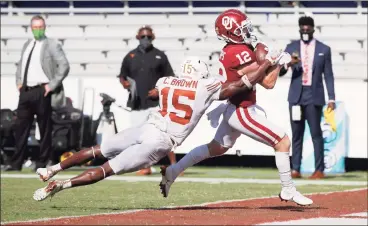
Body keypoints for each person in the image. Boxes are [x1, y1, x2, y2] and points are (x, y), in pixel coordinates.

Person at [32, 55, 275, 201]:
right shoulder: (205, 86)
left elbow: (154, 93)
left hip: (146, 127)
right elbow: (237, 86)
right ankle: (61, 186)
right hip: (160, 140)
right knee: (106, 169)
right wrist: (265, 65)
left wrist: (153, 94)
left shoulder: (166, 80)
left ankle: (52, 169)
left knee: (97, 149)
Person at [159, 9, 313, 206]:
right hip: (241, 111)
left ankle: (172, 171)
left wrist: (275, 63)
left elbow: (260, 71)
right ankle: (288, 189)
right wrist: (276, 63)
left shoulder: (234, 50)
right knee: (282, 141)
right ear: (231, 32)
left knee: (215, 148)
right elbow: (268, 82)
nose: (247, 31)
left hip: (236, 107)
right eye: (242, 29)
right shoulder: (238, 52)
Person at [3, 15, 70, 172]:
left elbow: (64, 65)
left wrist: (51, 85)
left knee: (44, 128)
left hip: (43, 91)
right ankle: (16, 163)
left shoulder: (51, 45)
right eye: (35, 27)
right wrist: (19, 83)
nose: (38, 30)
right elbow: (21, 65)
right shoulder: (27, 44)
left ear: (45, 27)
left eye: (41, 27)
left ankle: (42, 162)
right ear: (31, 28)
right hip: (26, 91)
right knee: (20, 128)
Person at [278, 15, 336, 180]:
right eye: (302, 27)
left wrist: (331, 97)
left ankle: (319, 170)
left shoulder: (323, 49)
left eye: (308, 27)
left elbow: (329, 75)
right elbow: (280, 72)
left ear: (313, 28)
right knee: (296, 134)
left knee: (316, 133)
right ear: (299, 28)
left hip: (314, 95)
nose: (305, 30)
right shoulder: (291, 47)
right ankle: (295, 168)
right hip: (296, 96)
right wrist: (288, 63)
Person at [118, 25, 177, 175]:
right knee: (139, 137)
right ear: (138, 37)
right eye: (143, 36)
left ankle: (175, 165)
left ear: (153, 37)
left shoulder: (160, 56)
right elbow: (122, 76)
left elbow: (170, 78)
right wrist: (125, 83)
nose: (146, 39)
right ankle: (145, 167)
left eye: (148, 37)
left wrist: (159, 90)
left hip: (156, 103)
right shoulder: (130, 56)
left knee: (163, 134)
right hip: (137, 103)